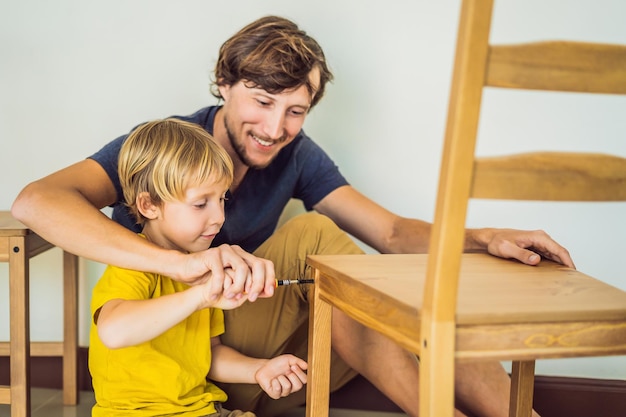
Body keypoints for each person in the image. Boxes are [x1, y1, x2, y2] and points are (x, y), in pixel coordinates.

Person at [12, 15, 574, 417]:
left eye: (295, 110)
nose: (275, 127)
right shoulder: (167, 151)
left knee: (393, 297)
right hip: (176, 355)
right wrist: (182, 268)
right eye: (261, 100)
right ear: (224, 85)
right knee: (312, 234)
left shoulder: (295, 156)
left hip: (242, 359)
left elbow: (393, 233)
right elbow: (35, 201)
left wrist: (486, 237)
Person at [89, 118, 308, 417]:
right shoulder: (134, 266)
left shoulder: (205, 270)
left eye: (221, 199)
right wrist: (200, 296)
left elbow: (211, 355)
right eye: (200, 204)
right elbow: (113, 332)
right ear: (149, 205)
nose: (218, 217)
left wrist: (260, 370)